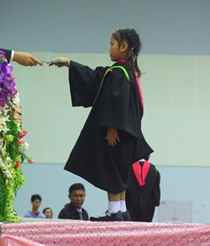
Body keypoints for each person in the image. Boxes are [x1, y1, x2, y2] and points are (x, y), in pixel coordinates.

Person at [49, 28, 153, 221]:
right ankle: (121, 210)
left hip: (116, 131)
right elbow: (96, 76)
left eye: (111, 44)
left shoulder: (120, 73)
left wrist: (113, 126)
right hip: (128, 133)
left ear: (123, 47)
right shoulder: (126, 72)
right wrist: (70, 64)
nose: (109, 48)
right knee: (120, 170)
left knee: (111, 169)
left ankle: (114, 212)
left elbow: (117, 99)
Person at [126, 156, 161, 222]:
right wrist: (156, 201)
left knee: (131, 225)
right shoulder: (154, 169)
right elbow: (156, 188)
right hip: (148, 204)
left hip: (130, 203)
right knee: (145, 226)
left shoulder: (129, 168)